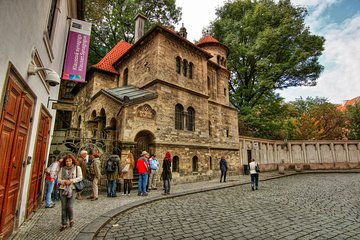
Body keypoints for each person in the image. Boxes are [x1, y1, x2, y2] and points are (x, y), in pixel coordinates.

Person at [58, 154, 83, 231]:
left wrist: (71, 181)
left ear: (72, 161)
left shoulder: (77, 168)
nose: (68, 162)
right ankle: (64, 223)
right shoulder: (62, 169)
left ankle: (71, 219)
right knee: (63, 207)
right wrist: (64, 181)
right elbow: (58, 179)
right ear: (65, 162)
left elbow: (80, 177)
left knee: (69, 206)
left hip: (72, 189)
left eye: (70, 161)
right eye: (67, 161)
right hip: (63, 189)